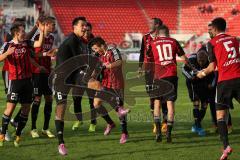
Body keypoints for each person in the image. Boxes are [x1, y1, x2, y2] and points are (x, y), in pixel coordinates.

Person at [197, 17, 240, 160]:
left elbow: (211, 67)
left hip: (224, 82)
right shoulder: (234, 39)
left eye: (210, 30)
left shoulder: (211, 43)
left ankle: (226, 146)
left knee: (220, 116)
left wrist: (201, 73)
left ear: (215, 29)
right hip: (238, 78)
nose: (210, 32)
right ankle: (225, 150)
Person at [0, 22, 45, 147]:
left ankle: (18, 135)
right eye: (22, 31)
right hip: (15, 82)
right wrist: (7, 53)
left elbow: (38, 44)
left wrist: (41, 31)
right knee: (10, 108)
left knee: (26, 108)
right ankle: (2, 134)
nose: (24, 33)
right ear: (16, 33)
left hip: (27, 81)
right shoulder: (7, 45)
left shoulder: (26, 43)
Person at [52, 16, 88, 155]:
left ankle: (118, 107)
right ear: (74, 27)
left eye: (85, 25)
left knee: (95, 86)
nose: (85, 27)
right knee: (61, 108)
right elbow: (78, 61)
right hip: (61, 78)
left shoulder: (79, 41)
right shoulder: (72, 40)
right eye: (82, 25)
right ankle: (61, 143)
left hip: (72, 76)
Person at [147, 25, 189, 143]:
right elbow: (184, 58)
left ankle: (158, 132)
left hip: (158, 76)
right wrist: (193, 68)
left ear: (158, 33)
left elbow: (148, 59)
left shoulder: (153, 43)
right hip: (171, 75)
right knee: (170, 105)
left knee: (157, 103)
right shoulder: (173, 41)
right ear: (168, 32)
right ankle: (169, 134)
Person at [89, 36, 130, 144]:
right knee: (96, 104)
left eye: (96, 49)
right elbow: (96, 68)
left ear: (102, 45)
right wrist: (91, 76)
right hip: (106, 83)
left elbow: (119, 62)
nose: (95, 51)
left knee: (120, 112)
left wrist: (107, 66)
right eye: (94, 50)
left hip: (117, 84)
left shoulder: (113, 50)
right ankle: (110, 123)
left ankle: (124, 133)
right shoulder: (99, 55)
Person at [138, 18, 168, 134]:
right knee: (152, 96)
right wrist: (140, 67)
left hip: (161, 70)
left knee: (164, 96)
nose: (149, 25)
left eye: (151, 23)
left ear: (157, 25)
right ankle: (156, 123)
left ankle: (165, 122)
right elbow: (142, 52)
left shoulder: (163, 38)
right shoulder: (145, 37)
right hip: (149, 71)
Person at [30, 16, 57, 138]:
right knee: (36, 99)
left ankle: (45, 128)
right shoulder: (36, 38)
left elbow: (48, 54)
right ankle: (33, 128)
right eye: (52, 24)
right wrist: (47, 53)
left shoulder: (51, 38)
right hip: (37, 72)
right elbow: (34, 54)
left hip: (47, 72)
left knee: (49, 99)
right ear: (45, 25)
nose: (54, 26)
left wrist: (51, 59)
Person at [182, 47, 215, 136]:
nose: (201, 63)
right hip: (193, 84)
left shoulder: (211, 59)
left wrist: (211, 83)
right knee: (196, 103)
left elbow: (216, 72)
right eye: (199, 61)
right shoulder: (191, 59)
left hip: (205, 82)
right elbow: (183, 69)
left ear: (207, 58)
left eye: (203, 61)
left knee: (204, 105)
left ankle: (196, 125)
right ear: (197, 58)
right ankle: (199, 127)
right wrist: (191, 77)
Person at [71, 21, 97, 132]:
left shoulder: (95, 42)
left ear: (91, 30)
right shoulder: (77, 41)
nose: (86, 32)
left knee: (92, 101)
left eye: (88, 30)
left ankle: (93, 122)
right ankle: (79, 119)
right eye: (85, 30)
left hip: (91, 75)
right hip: (79, 75)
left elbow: (100, 58)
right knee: (76, 98)